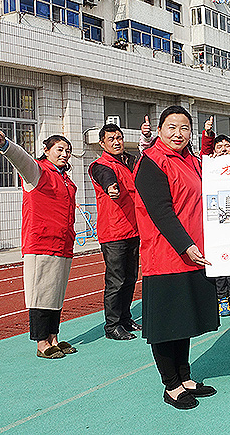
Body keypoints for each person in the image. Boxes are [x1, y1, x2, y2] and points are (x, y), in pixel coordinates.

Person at [134, 106, 219, 410]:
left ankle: (185, 377)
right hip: (167, 255)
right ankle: (170, 384)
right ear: (159, 131)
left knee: (184, 320)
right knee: (167, 324)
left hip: (196, 252)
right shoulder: (151, 162)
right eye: (171, 127)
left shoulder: (192, 161)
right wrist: (185, 245)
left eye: (184, 128)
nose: (178, 134)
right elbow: (161, 211)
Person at [0, 126, 78, 359]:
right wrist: (4, 144)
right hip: (41, 243)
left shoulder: (66, 180)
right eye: (59, 149)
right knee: (41, 294)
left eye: (68, 151)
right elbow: (21, 159)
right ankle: (41, 342)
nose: (64, 154)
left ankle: (53, 337)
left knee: (56, 293)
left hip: (63, 244)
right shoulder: (37, 172)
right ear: (46, 151)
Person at [88, 124, 142, 340]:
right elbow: (106, 177)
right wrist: (111, 187)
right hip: (114, 233)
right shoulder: (100, 165)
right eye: (111, 139)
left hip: (133, 229)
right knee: (116, 280)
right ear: (102, 143)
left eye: (119, 137)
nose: (117, 142)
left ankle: (125, 317)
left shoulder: (128, 161)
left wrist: (146, 136)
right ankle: (112, 326)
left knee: (130, 278)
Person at [200, 118, 230, 316]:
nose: (223, 149)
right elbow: (204, 152)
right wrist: (208, 134)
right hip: (214, 221)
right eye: (218, 146)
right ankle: (222, 299)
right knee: (218, 259)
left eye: (226, 145)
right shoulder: (208, 165)